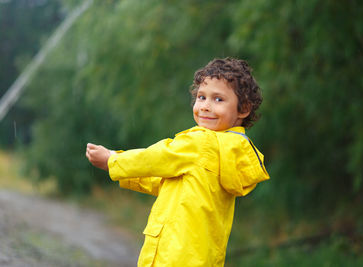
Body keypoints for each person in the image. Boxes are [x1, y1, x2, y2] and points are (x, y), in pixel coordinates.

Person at [86, 57, 270, 267]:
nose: (206, 107)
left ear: (243, 109)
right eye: (201, 97)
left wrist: (113, 160)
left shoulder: (201, 142)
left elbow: (156, 158)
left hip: (173, 255)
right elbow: (169, 182)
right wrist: (125, 172)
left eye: (218, 99)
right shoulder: (228, 151)